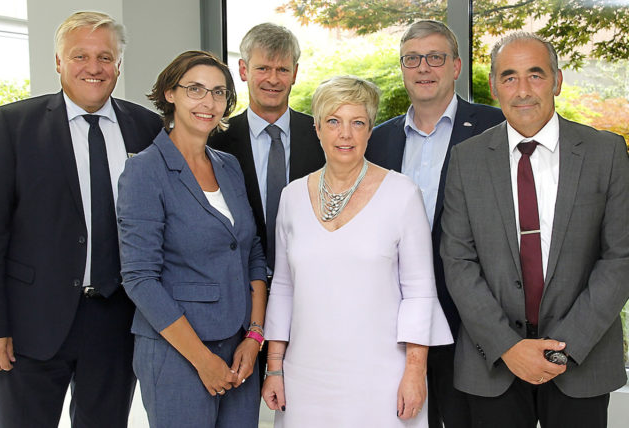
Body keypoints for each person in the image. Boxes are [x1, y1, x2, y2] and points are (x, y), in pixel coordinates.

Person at [440, 32, 629, 428]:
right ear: (493, 86)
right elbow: (458, 260)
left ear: (557, 81)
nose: (522, 90)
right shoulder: (466, 159)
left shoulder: (605, 152)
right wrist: (507, 347)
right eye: (509, 77)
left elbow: (620, 258)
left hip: (582, 360)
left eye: (535, 75)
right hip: (492, 363)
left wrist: (563, 349)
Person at [0, 11, 162, 427]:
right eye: (80, 55)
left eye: (105, 57)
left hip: (116, 321)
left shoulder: (147, 127)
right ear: (58, 62)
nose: (94, 67)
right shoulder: (12, 125)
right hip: (31, 324)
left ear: (119, 65)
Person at [262, 75, 453, 427]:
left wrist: (415, 372)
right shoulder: (291, 196)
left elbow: (420, 292)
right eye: (334, 121)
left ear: (370, 130)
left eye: (357, 122)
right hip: (306, 375)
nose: (345, 134)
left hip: (383, 376)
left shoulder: (402, 194)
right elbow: (284, 288)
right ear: (317, 128)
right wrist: (274, 366)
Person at [116, 50, 267, 428]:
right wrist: (203, 360)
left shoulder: (228, 166)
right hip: (177, 354)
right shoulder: (144, 170)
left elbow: (252, 253)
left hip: (239, 348)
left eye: (219, 92)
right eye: (195, 89)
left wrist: (254, 336)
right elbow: (139, 279)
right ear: (170, 94)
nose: (208, 102)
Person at [366, 20, 505, 427]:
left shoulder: (496, 127)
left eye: (435, 58)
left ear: (457, 66)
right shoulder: (377, 140)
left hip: (474, 317)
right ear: (402, 68)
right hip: (395, 316)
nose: (423, 67)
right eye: (412, 59)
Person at [208, 22, 324, 387]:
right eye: (262, 68)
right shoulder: (214, 141)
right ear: (243, 70)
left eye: (282, 69)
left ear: (295, 74)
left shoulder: (325, 135)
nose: (272, 79)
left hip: (312, 298)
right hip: (235, 299)